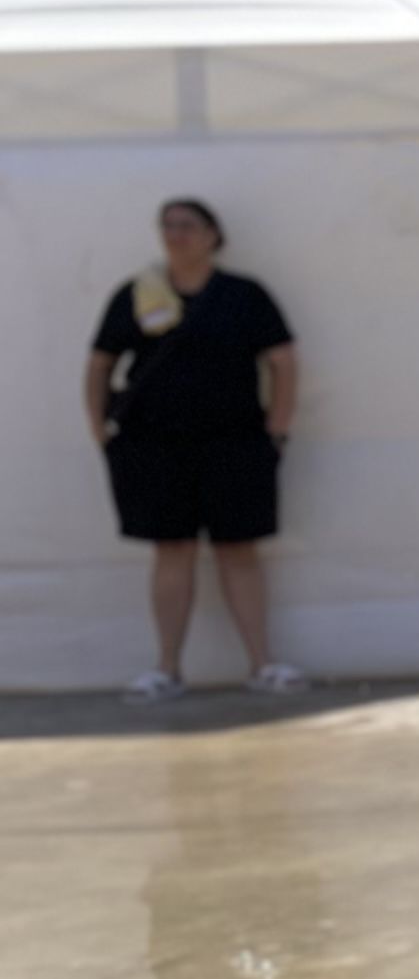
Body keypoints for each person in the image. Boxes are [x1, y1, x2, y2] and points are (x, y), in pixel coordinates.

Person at [85, 197, 305, 701]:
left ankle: (262, 663)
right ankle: (167, 668)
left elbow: (282, 359)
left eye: (187, 225)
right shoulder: (140, 294)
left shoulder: (244, 295)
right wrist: (98, 427)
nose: (175, 234)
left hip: (235, 441)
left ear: (213, 236)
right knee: (172, 550)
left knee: (239, 550)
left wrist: (278, 428)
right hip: (154, 445)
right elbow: (101, 362)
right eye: (167, 226)